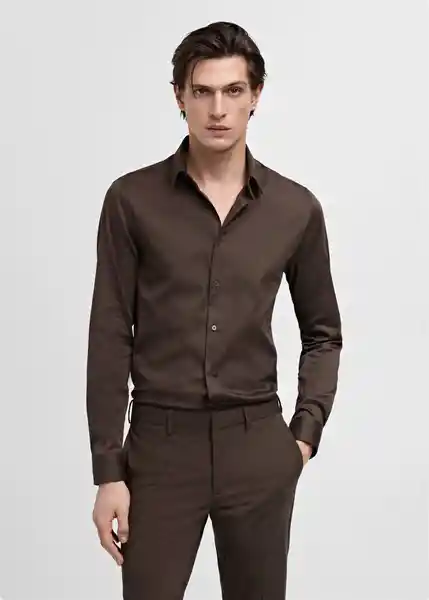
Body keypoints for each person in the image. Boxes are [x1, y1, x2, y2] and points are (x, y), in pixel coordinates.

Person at [86, 20, 342, 600]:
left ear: (256, 96)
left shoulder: (295, 209)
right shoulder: (131, 201)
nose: (218, 109)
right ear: (179, 97)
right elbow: (110, 335)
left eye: (233, 91)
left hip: (256, 445)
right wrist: (108, 472)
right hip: (158, 449)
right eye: (202, 91)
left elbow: (323, 332)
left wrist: (302, 438)